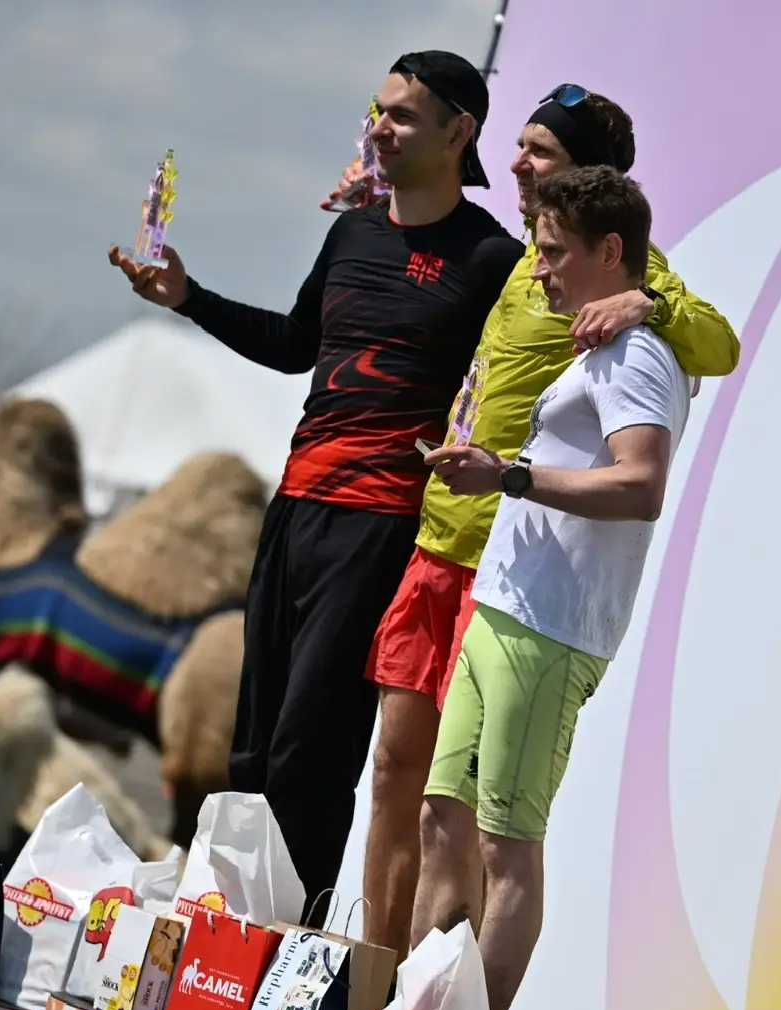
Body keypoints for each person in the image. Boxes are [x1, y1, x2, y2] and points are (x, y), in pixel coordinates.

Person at [109, 51, 524, 913]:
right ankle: (225, 931)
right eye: (379, 109)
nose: (380, 127)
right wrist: (189, 298)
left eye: (403, 115)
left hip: (381, 526)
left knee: (313, 750)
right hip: (295, 506)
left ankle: (285, 950)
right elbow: (297, 344)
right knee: (253, 747)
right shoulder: (354, 232)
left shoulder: (493, 258)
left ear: (459, 131)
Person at [345, 85, 741, 960]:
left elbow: (717, 349)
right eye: (519, 147)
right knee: (412, 787)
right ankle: (387, 995)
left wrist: (649, 305)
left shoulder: (628, 296)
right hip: (461, 556)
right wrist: (384, 209)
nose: (516, 164)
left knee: (499, 833)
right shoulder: (533, 257)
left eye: (540, 152)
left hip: (531, 592)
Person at [409, 166, 693, 1010]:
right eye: (537, 251)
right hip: (504, 607)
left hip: (553, 630)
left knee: (505, 846)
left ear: (611, 252)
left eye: (556, 253)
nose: (539, 270)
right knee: (442, 820)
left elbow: (641, 485)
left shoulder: (639, 357)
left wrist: (512, 475)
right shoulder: (597, 348)